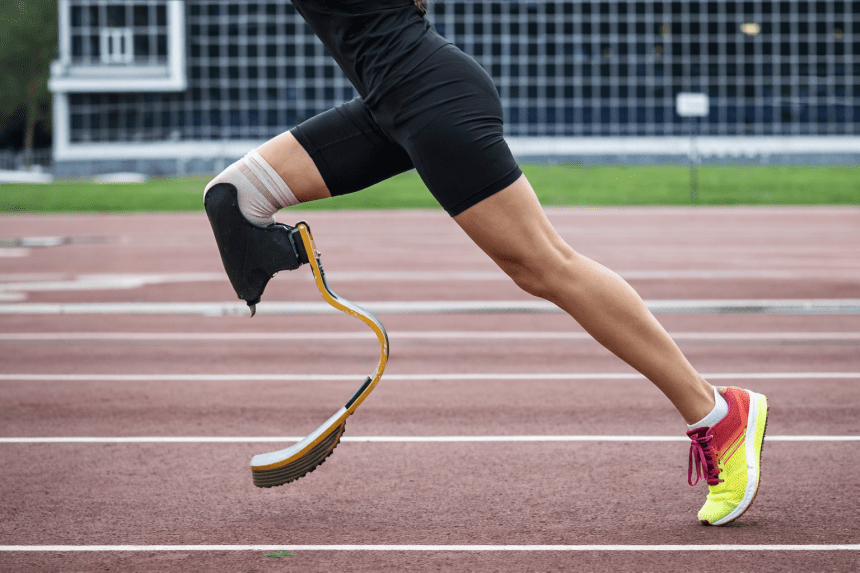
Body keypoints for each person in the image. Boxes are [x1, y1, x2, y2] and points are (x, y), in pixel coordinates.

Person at [203, 0, 768, 525]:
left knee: (546, 266)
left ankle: (718, 415)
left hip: (431, 98)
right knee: (233, 197)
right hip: (386, 105)